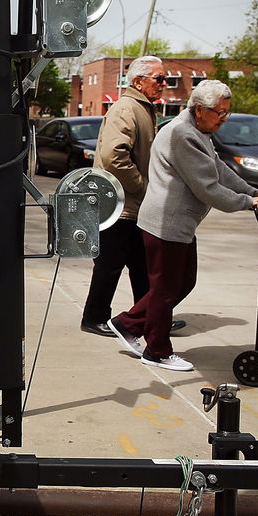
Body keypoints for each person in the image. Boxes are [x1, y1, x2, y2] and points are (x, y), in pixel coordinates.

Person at [106, 80, 258, 371]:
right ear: (200, 109)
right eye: (219, 112)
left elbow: (218, 169)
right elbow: (208, 188)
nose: (224, 118)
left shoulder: (199, 131)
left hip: (179, 223)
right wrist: (248, 203)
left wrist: (253, 191)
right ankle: (157, 350)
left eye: (227, 111)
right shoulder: (181, 135)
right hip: (166, 223)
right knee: (165, 289)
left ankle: (127, 323)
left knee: (182, 282)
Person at [80, 56, 184, 337]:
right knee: (110, 265)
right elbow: (113, 156)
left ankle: (150, 317)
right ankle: (94, 318)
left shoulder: (143, 108)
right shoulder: (126, 108)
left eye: (164, 79)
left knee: (144, 266)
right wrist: (143, 187)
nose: (164, 84)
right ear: (139, 81)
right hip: (119, 204)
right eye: (159, 79)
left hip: (134, 205)